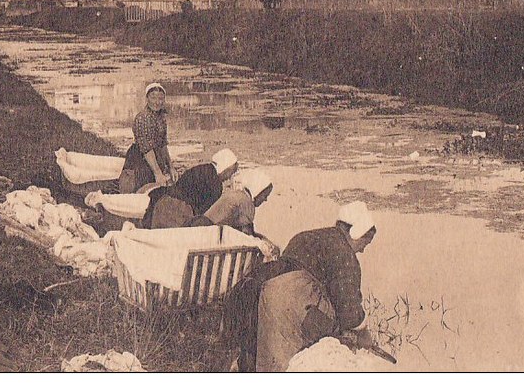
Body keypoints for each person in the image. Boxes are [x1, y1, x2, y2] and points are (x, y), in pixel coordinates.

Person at [251, 202, 378, 372]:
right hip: (296, 302)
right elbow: (348, 307)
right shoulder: (345, 255)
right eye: (365, 243)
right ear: (356, 233)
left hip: (268, 292)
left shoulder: (306, 236)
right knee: (293, 363)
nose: (362, 250)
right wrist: (363, 333)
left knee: (269, 358)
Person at [143, 148, 239, 229]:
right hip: (176, 212)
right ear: (226, 168)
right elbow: (206, 215)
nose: (229, 178)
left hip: (160, 201)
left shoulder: (201, 168)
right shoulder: (216, 184)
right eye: (231, 172)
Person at [119, 83, 173, 193]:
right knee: (145, 190)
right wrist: (158, 173)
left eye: (161, 98)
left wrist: (171, 167)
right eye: (153, 97)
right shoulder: (143, 118)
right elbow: (146, 149)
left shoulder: (161, 117)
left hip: (155, 159)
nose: (157, 102)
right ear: (147, 98)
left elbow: (163, 145)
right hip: (141, 160)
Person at [189, 168, 273, 235]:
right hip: (209, 234)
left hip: (199, 227)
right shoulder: (246, 203)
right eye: (264, 196)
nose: (265, 199)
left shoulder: (236, 194)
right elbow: (247, 235)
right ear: (258, 191)